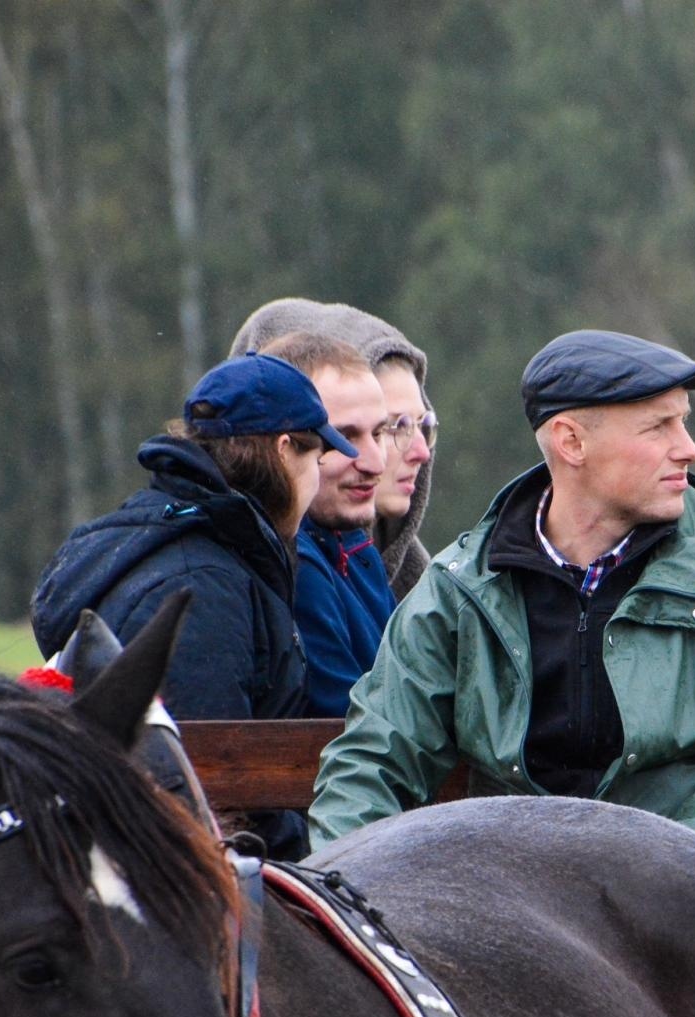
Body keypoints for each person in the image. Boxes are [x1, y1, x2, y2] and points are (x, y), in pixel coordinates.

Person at [309, 329, 695, 900]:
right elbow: (371, 764)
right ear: (571, 443)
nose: (689, 447)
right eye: (660, 426)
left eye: (683, 422)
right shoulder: (462, 588)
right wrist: (350, 901)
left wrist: (634, 881)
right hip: (513, 910)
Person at [31, 355, 352, 859]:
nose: (316, 481)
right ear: (286, 449)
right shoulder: (203, 587)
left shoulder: (201, 548)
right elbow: (211, 781)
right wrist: (324, 862)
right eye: (317, 459)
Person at [230, 298, 436, 598]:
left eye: (423, 424)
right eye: (394, 427)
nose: (422, 452)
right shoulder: (269, 581)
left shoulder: (422, 587)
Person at [252, 332, 396, 712]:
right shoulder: (290, 564)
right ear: (283, 447)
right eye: (342, 437)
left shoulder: (357, 551)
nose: (375, 462)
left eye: (379, 433)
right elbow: (354, 725)